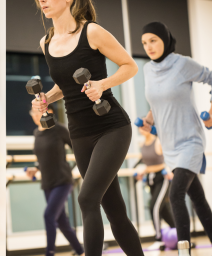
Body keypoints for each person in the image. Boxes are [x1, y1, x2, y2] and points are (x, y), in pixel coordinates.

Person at [31, 0, 143, 255]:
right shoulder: (45, 42)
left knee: (86, 199)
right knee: (114, 211)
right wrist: (46, 98)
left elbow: (130, 66)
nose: (42, 1)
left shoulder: (91, 32)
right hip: (79, 133)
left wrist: (102, 84)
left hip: (111, 127)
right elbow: (65, 86)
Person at [139, 21, 212, 251]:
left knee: (175, 194)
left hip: (191, 140)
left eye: (153, 40)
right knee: (199, 200)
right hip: (169, 145)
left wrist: (211, 111)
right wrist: (149, 119)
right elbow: (157, 100)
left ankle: (183, 251)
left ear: (165, 39)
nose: (148, 47)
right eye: (144, 43)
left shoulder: (182, 63)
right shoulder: (147, 69)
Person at [25, 107, 84, 256]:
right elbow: (45, 157)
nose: (35, 115)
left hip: (63, 180)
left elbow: (77, 148)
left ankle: (49, 253)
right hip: (47, 182)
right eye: (33, 113)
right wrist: (36, 168)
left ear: (48, 112)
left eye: (38, 112)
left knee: (49, 215)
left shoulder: (58, 129)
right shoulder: (37, 133)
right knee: (62, 222)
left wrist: (80, 167)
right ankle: (80, 251)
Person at [135, 128, 175, 250]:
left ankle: (158, 239)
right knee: (163, 210)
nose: (142, 130)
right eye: (140, 128)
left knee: (154, 206)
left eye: (144, 127)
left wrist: (169, 169)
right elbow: (148, 163)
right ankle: (179, 234)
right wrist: (142, 171)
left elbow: (168, 156)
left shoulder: (158, 141)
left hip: (161, 178)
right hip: (150, 179)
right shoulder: (142, 143)